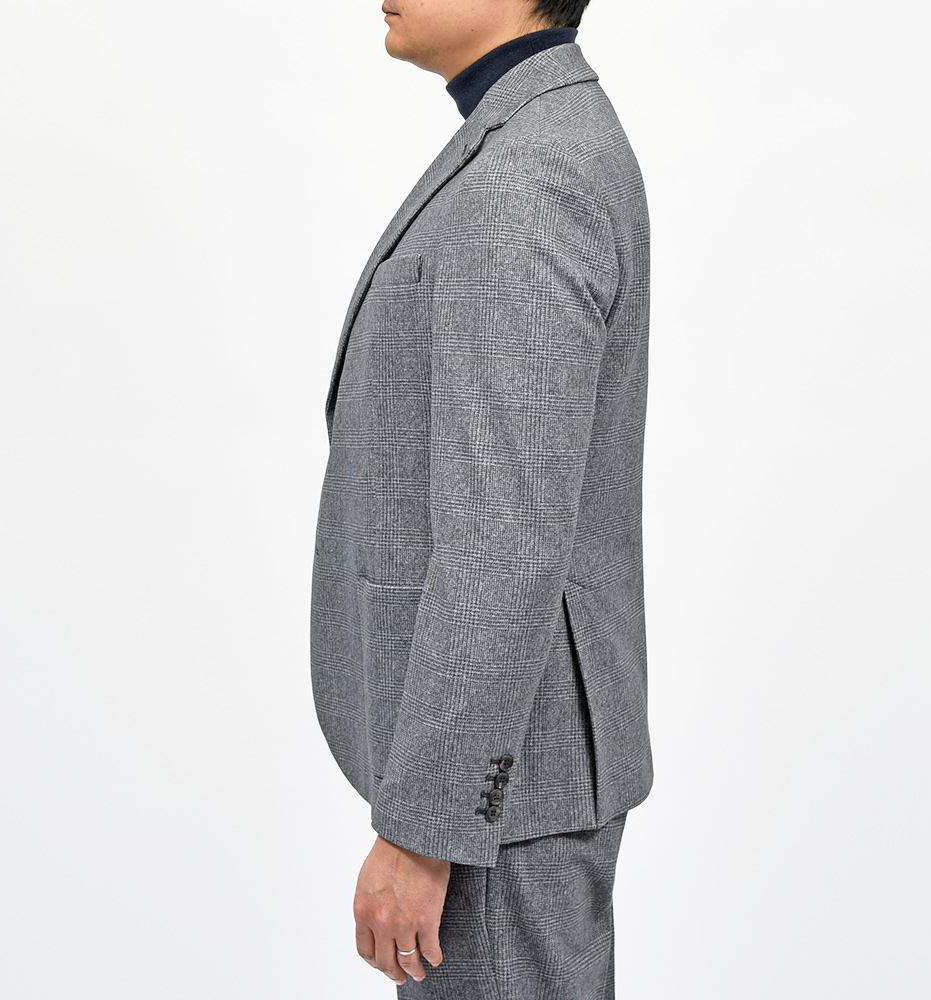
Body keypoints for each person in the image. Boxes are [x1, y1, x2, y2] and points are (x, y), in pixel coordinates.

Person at [309, 1, 652, 995]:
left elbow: (507, 536)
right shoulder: (532, 137)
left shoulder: (526, 174)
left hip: (501, 799)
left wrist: (426, 831)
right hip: (513, 778)